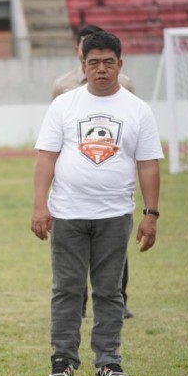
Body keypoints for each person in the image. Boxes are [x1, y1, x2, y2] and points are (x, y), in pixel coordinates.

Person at [33, 31, 162, 376]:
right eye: (94, 63)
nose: (101, 69)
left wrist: (151, 214)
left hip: (115, 215)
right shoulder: (64, 105)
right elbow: (46, 157)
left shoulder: (138, 109)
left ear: (120, 65)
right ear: (82, 65)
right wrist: (39, 205)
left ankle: (108, 362)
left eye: (109, 62)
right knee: (67, 289)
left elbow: (148, 164)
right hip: (67, 214)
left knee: (109, 291)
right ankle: (62, 361)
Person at [52, 24, 136, 319]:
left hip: (112, 188)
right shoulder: (62, 87)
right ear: (79, 51)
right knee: (72, 262)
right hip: (74, 192)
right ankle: (79, 305)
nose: (100, 66)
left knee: (114, 254)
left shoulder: (124, 83)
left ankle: (119, 301)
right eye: (88, 49)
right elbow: (54, 139)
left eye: (106, 58)